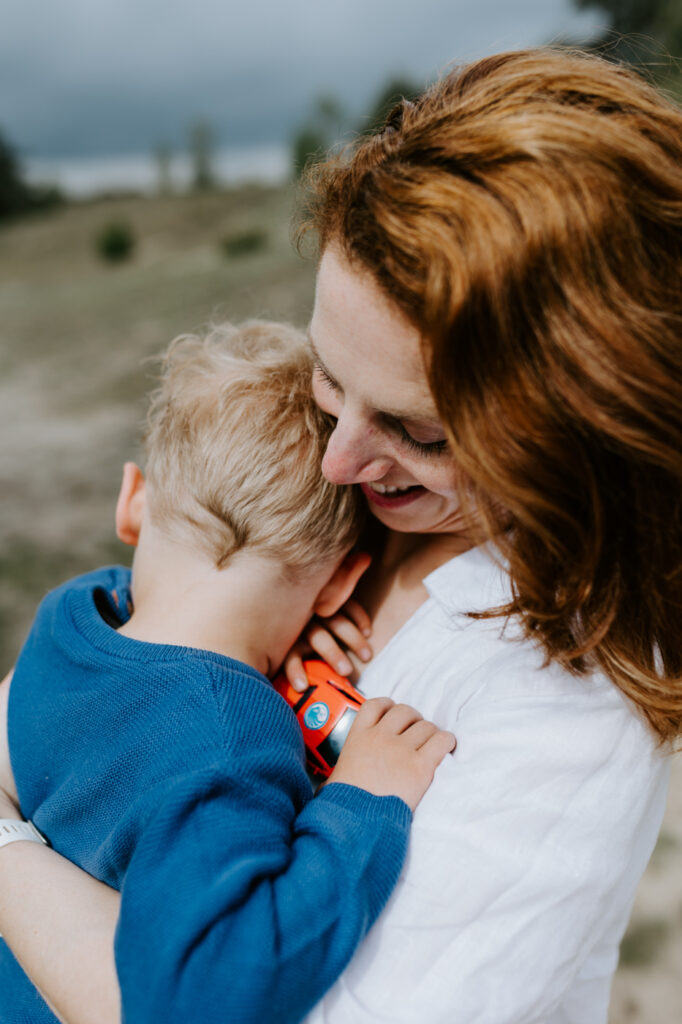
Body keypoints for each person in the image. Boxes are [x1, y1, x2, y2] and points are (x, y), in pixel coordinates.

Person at [0, 46, 680, 1024]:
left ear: (578, 434)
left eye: (420, 430)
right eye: (329, 374)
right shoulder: (339, 502)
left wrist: (10, 853)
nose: (338, 461)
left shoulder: (566, 709)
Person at [0, 319, 455, 1024]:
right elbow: (208, 997)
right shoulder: (226, 741)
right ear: (341, 585)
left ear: (131, 502)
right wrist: (361, 802)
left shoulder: (75, 617)